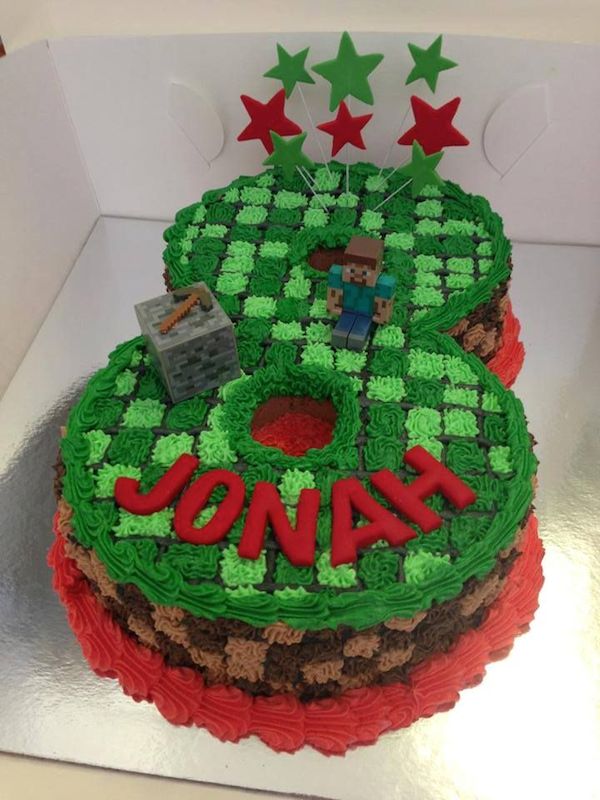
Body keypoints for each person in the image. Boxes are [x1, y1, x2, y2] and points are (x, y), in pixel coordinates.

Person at [327, 236, 396, 350]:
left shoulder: (381, 285)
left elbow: (384, 302)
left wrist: (381, 317)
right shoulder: (340, 279)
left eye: (365, 273)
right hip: (347, 311)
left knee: (357, 336)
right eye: (351, 270)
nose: (358, 276)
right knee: (340, 334)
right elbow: (334, 293)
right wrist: (334, 307)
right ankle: (340, 343)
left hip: (366, 315)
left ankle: (355, 346)